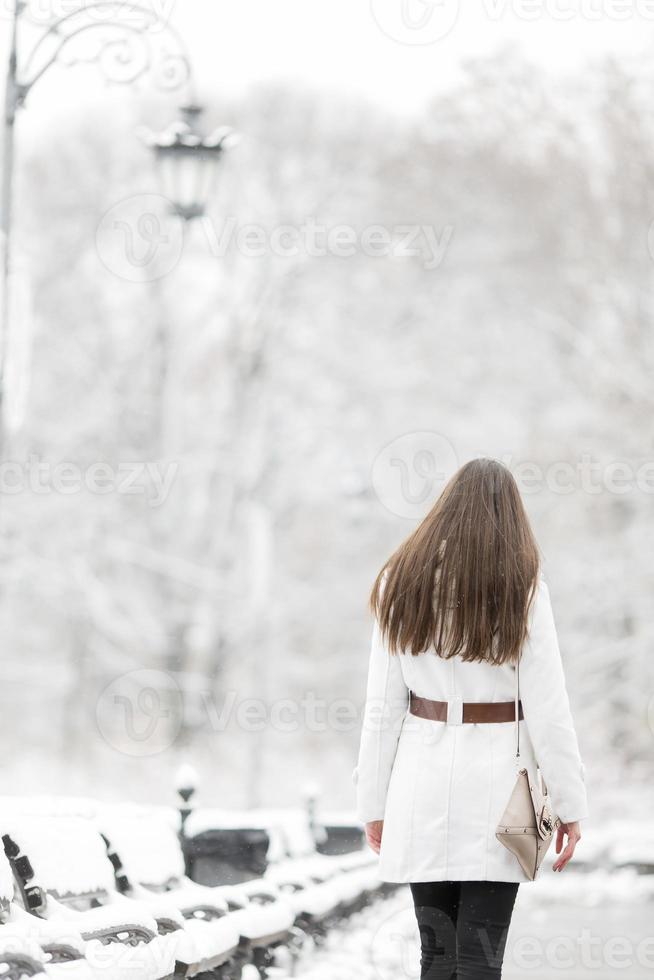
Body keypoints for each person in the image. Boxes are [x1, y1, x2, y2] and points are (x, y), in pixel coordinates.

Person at [353, 458, 588, 980]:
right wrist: (570, 804)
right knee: (480, 958)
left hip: (421, 781)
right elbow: (550, 712)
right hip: (500, 790)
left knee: (435, 955)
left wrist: (373, 801)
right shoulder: (523, 591)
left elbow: (381, 709)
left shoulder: (400, 584)